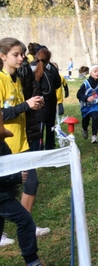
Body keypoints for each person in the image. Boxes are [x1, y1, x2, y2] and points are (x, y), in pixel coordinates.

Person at [0, 37, 49, 245]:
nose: (21, 58)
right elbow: (3, 113)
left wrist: (34, 104)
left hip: (24, 143)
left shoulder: (17, 80)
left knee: (31, 182)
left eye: (22, 54)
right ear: (2, 56)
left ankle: (27, 223)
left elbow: (20, 108)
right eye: (16, 55)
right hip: (5, 146)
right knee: (6, 192)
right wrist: (25, 106)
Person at [0, 112, 43, 266]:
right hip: (2, 197)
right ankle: (32, 261)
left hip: (5, 194)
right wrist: (17, 178)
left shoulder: (2, 142)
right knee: (25, 221)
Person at [31, 47, 62, 150]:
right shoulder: (50, 69)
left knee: (38, 128)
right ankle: (49, 147)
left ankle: (38, 148)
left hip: (33, 103)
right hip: (47, 104)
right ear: (49, 59)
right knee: (49, 127)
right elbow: (56, 84)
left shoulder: (28, 67)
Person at [77, 65, 98, 144]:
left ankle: (94, 136)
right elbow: (78, 94)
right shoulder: (85, 84)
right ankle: (84, 129)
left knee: (95, 118)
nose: (97, 73)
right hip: (85, 106)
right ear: (90, 73)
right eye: (95, 71)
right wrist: (86, 98)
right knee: (85, 121)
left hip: (95, 105)